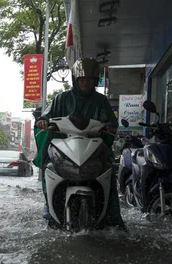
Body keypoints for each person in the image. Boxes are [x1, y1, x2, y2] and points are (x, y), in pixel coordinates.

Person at [34, 57, 125, 230]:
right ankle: (49, 204)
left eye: (89, 79)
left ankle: (111, 217)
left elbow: (111, 123)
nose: (85, 82)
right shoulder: (61, 98)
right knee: (49, 167)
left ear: (95, 81)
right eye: (82, 79)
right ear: (75, 80)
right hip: (65, 149)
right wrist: (43, 121)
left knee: (107, 169)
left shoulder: (101, 101)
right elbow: (46, 115)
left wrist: (110, 128)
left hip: (93, 149)